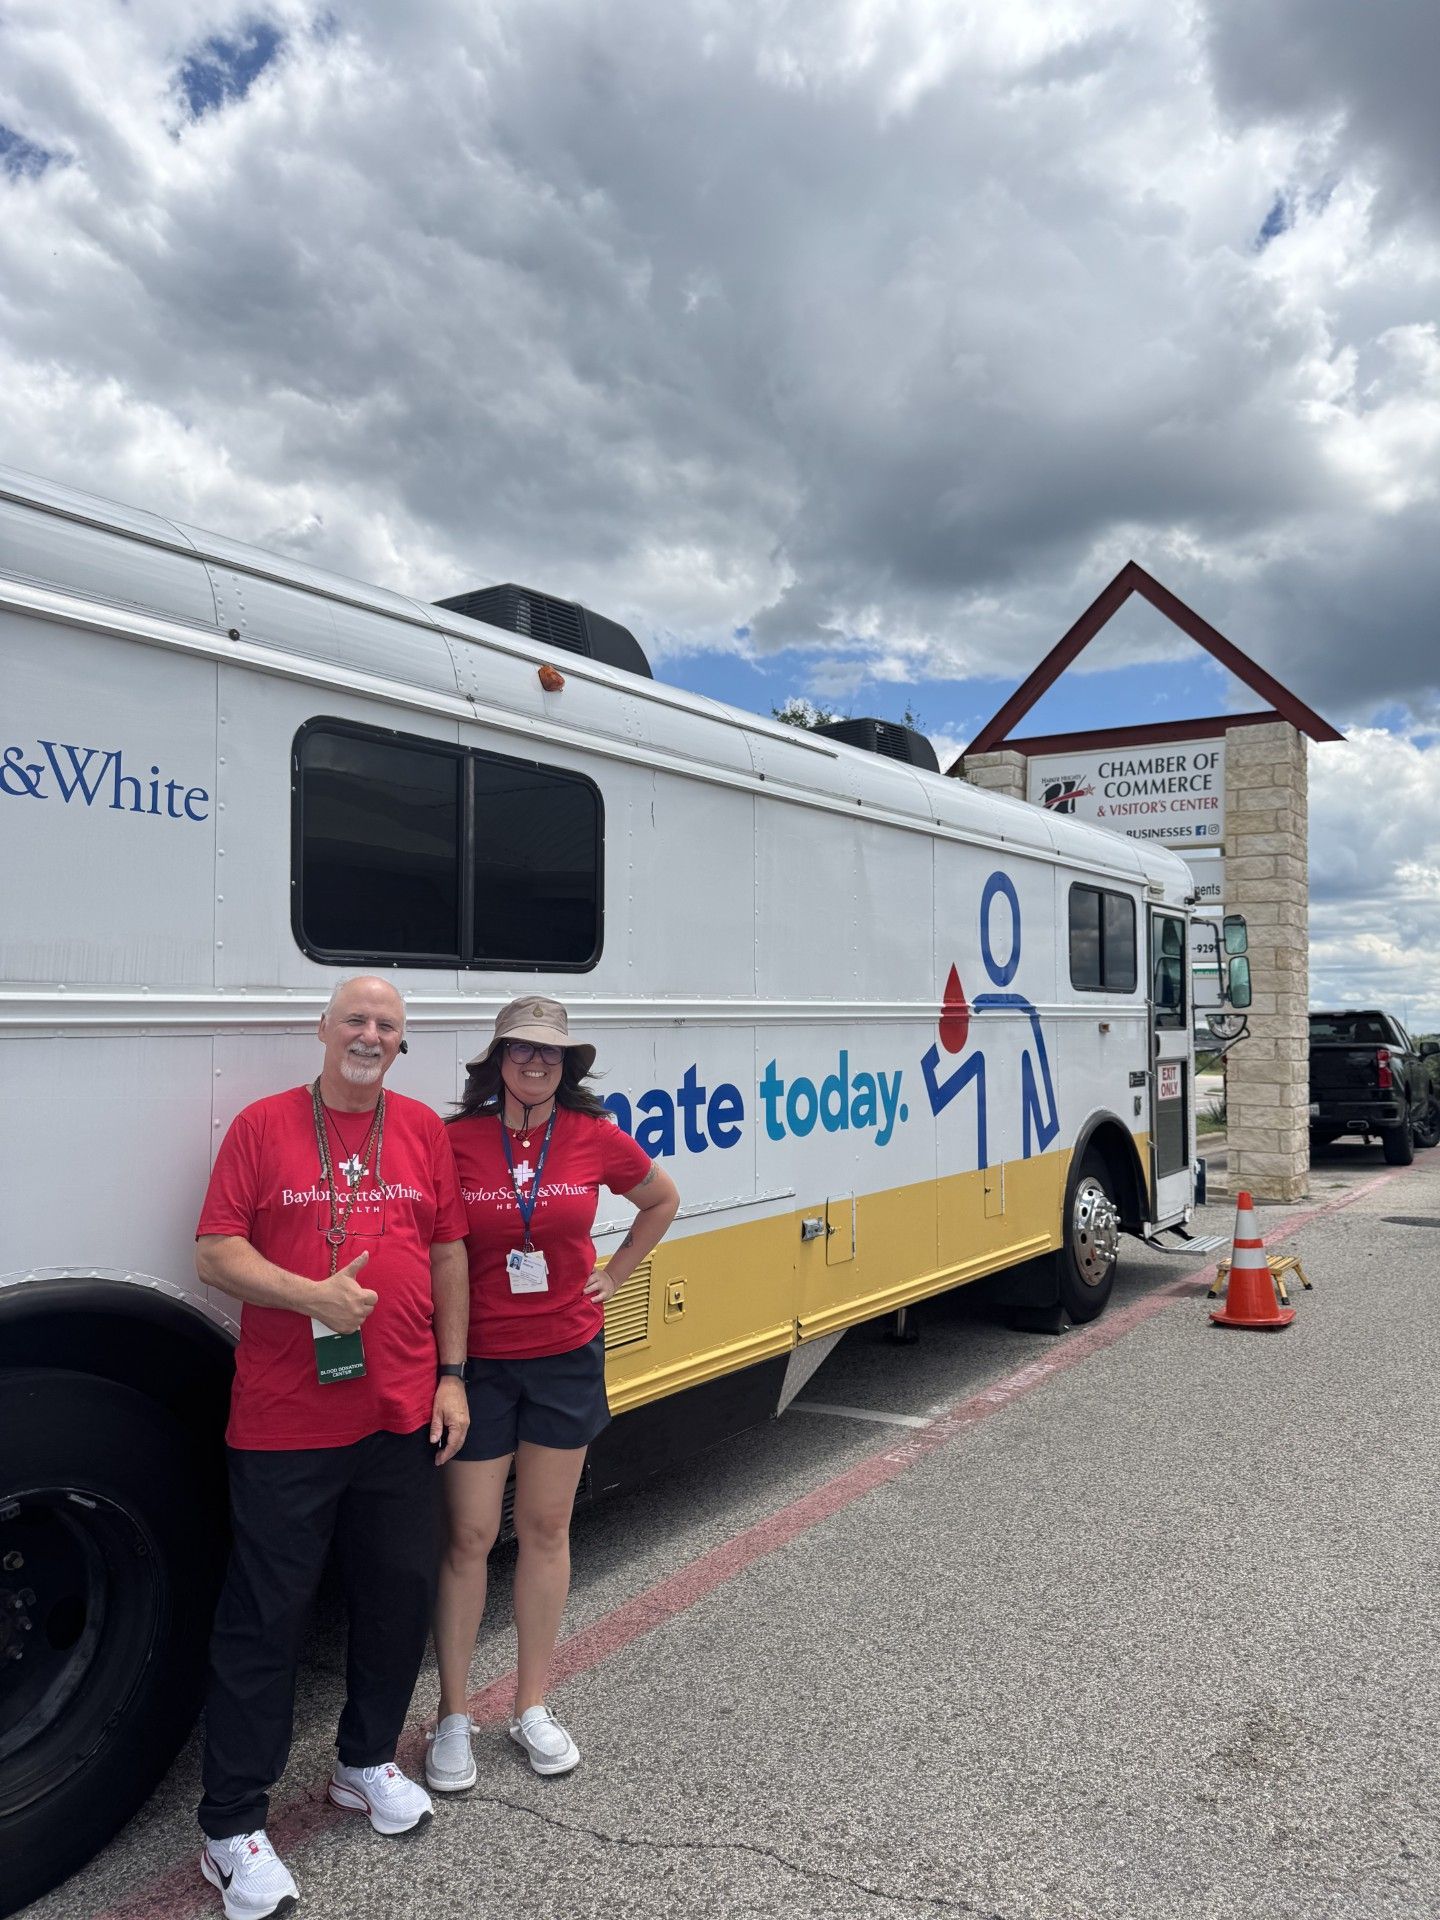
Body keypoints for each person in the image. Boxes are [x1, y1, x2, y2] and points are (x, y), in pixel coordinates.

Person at [193, 976, 470, 1920]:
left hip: (399, 1416)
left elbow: (445, 1254)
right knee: (265, 1618)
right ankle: (230, 1826)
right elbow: (214, 1251)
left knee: (397, 1600)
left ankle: (363, 1764)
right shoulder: (264, 1127)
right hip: (284, 1424)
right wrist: (312, 1297)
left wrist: (452, 1373)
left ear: (402, 1045)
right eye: (355, 1019)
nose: (369, 1034)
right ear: (322, 1030)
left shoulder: (422, 1131)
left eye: (387, 1026)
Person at [427, 996, 679, 1789]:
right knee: (470, 1538)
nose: (536, 1064)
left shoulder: (593, 1137)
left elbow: (661, 1200)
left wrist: (615, 1275)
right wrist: (450, 1368)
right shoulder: (455, 1140)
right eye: (521, 1050)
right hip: (483, 1364)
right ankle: (453, 1717)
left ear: (567, 1067)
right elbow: (442, 1248)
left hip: (567, 1354)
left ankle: (532, 1705)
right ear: (496, 1060)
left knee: (545, 1528)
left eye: (551, 1055)